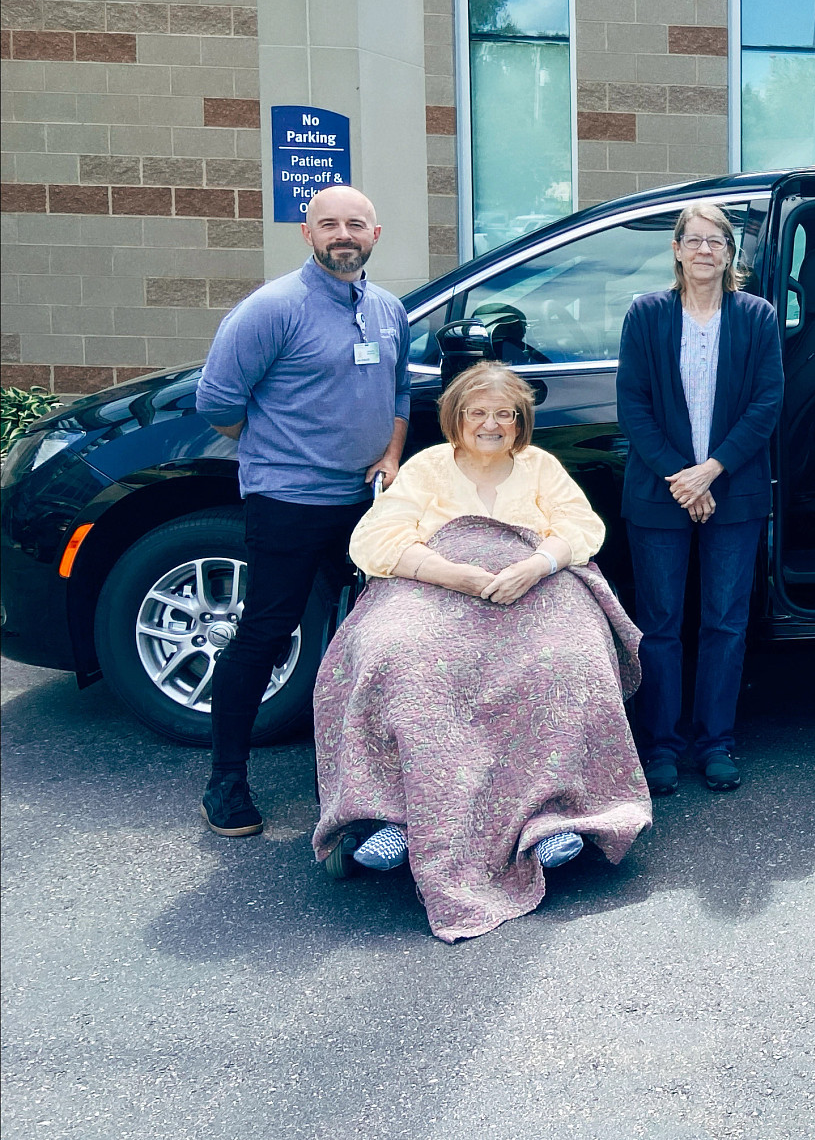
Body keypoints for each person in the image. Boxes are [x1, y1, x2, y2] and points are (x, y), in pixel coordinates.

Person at [312, 363, 650, 942]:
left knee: (567, 659)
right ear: (457, 418)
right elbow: (374, 538)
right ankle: (390, 816)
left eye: (504, 414)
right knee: (395, 655)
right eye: (478, 413)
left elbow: (581, 527)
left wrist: (535, 564)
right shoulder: (427, 468)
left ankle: (550, 816)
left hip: (531, 583)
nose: (490, 424)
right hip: (435, 584)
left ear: (519, 422)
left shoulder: (541, 467)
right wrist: (453, 573)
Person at [192, 184, 409, 839]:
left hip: (363, 508)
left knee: (367, 642)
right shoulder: (271, 309)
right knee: (266, 634)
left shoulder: (387, 309)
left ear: (375, 234)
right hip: (286, 503)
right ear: (307, 233)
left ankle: (364, 791)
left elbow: (398, 388)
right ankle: (225, 784)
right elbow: (217, 402)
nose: (343, 234)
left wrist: (392, 453)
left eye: (356, 224)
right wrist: (279, 453)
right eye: (329, 224)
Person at [616, 203, 783, 795]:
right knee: (659, 625)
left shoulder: (757, 317)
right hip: (661, 493)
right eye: (695, 240)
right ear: (677, 249)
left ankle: (716, 742)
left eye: (718, 241)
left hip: (732, 491)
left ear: (730, 253)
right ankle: (661, 746)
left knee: (724, 623)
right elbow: (632, 406)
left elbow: (766, 404)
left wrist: (709, 472)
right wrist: (681, 477)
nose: (706, 250)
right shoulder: (647, 314)